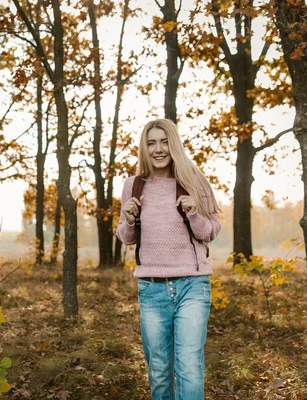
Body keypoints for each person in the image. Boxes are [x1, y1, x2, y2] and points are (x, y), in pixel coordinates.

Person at [117, 118, 221, 400]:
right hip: (151, 288)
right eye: (151, 143)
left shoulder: (193, 180)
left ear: (174, 144)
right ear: (144, 147)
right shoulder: (132, 185)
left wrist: (194, 213)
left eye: (164, 142)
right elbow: (126, 237)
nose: (158, 149)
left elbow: (210, 231)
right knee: (160, 370)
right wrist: (127, 218)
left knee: (189, 365)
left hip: (192, 285)